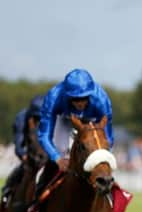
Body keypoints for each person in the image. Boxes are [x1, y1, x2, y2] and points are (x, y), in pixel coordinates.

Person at [35, 68, 114, 200]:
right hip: (64, 119)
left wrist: (101, 160)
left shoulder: (101, 100)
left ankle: (111, 202)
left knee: (99, 156)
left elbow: (108, 138)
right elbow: (43, 135)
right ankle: (37, 201)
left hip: (92, 121)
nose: (80, 103)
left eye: (84, 98)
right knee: (61, 152)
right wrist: (57, 158)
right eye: (76, 99)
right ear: (67, 95)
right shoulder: (54, 98)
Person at [1, 95, 44, 205]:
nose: (38, 122)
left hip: (45, 155)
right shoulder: (21, 119)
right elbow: (19, 144)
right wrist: (24, 156)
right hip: (29, 154)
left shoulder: (50, 118)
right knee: (18, 173)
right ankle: (6, 195)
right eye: (36, 119)